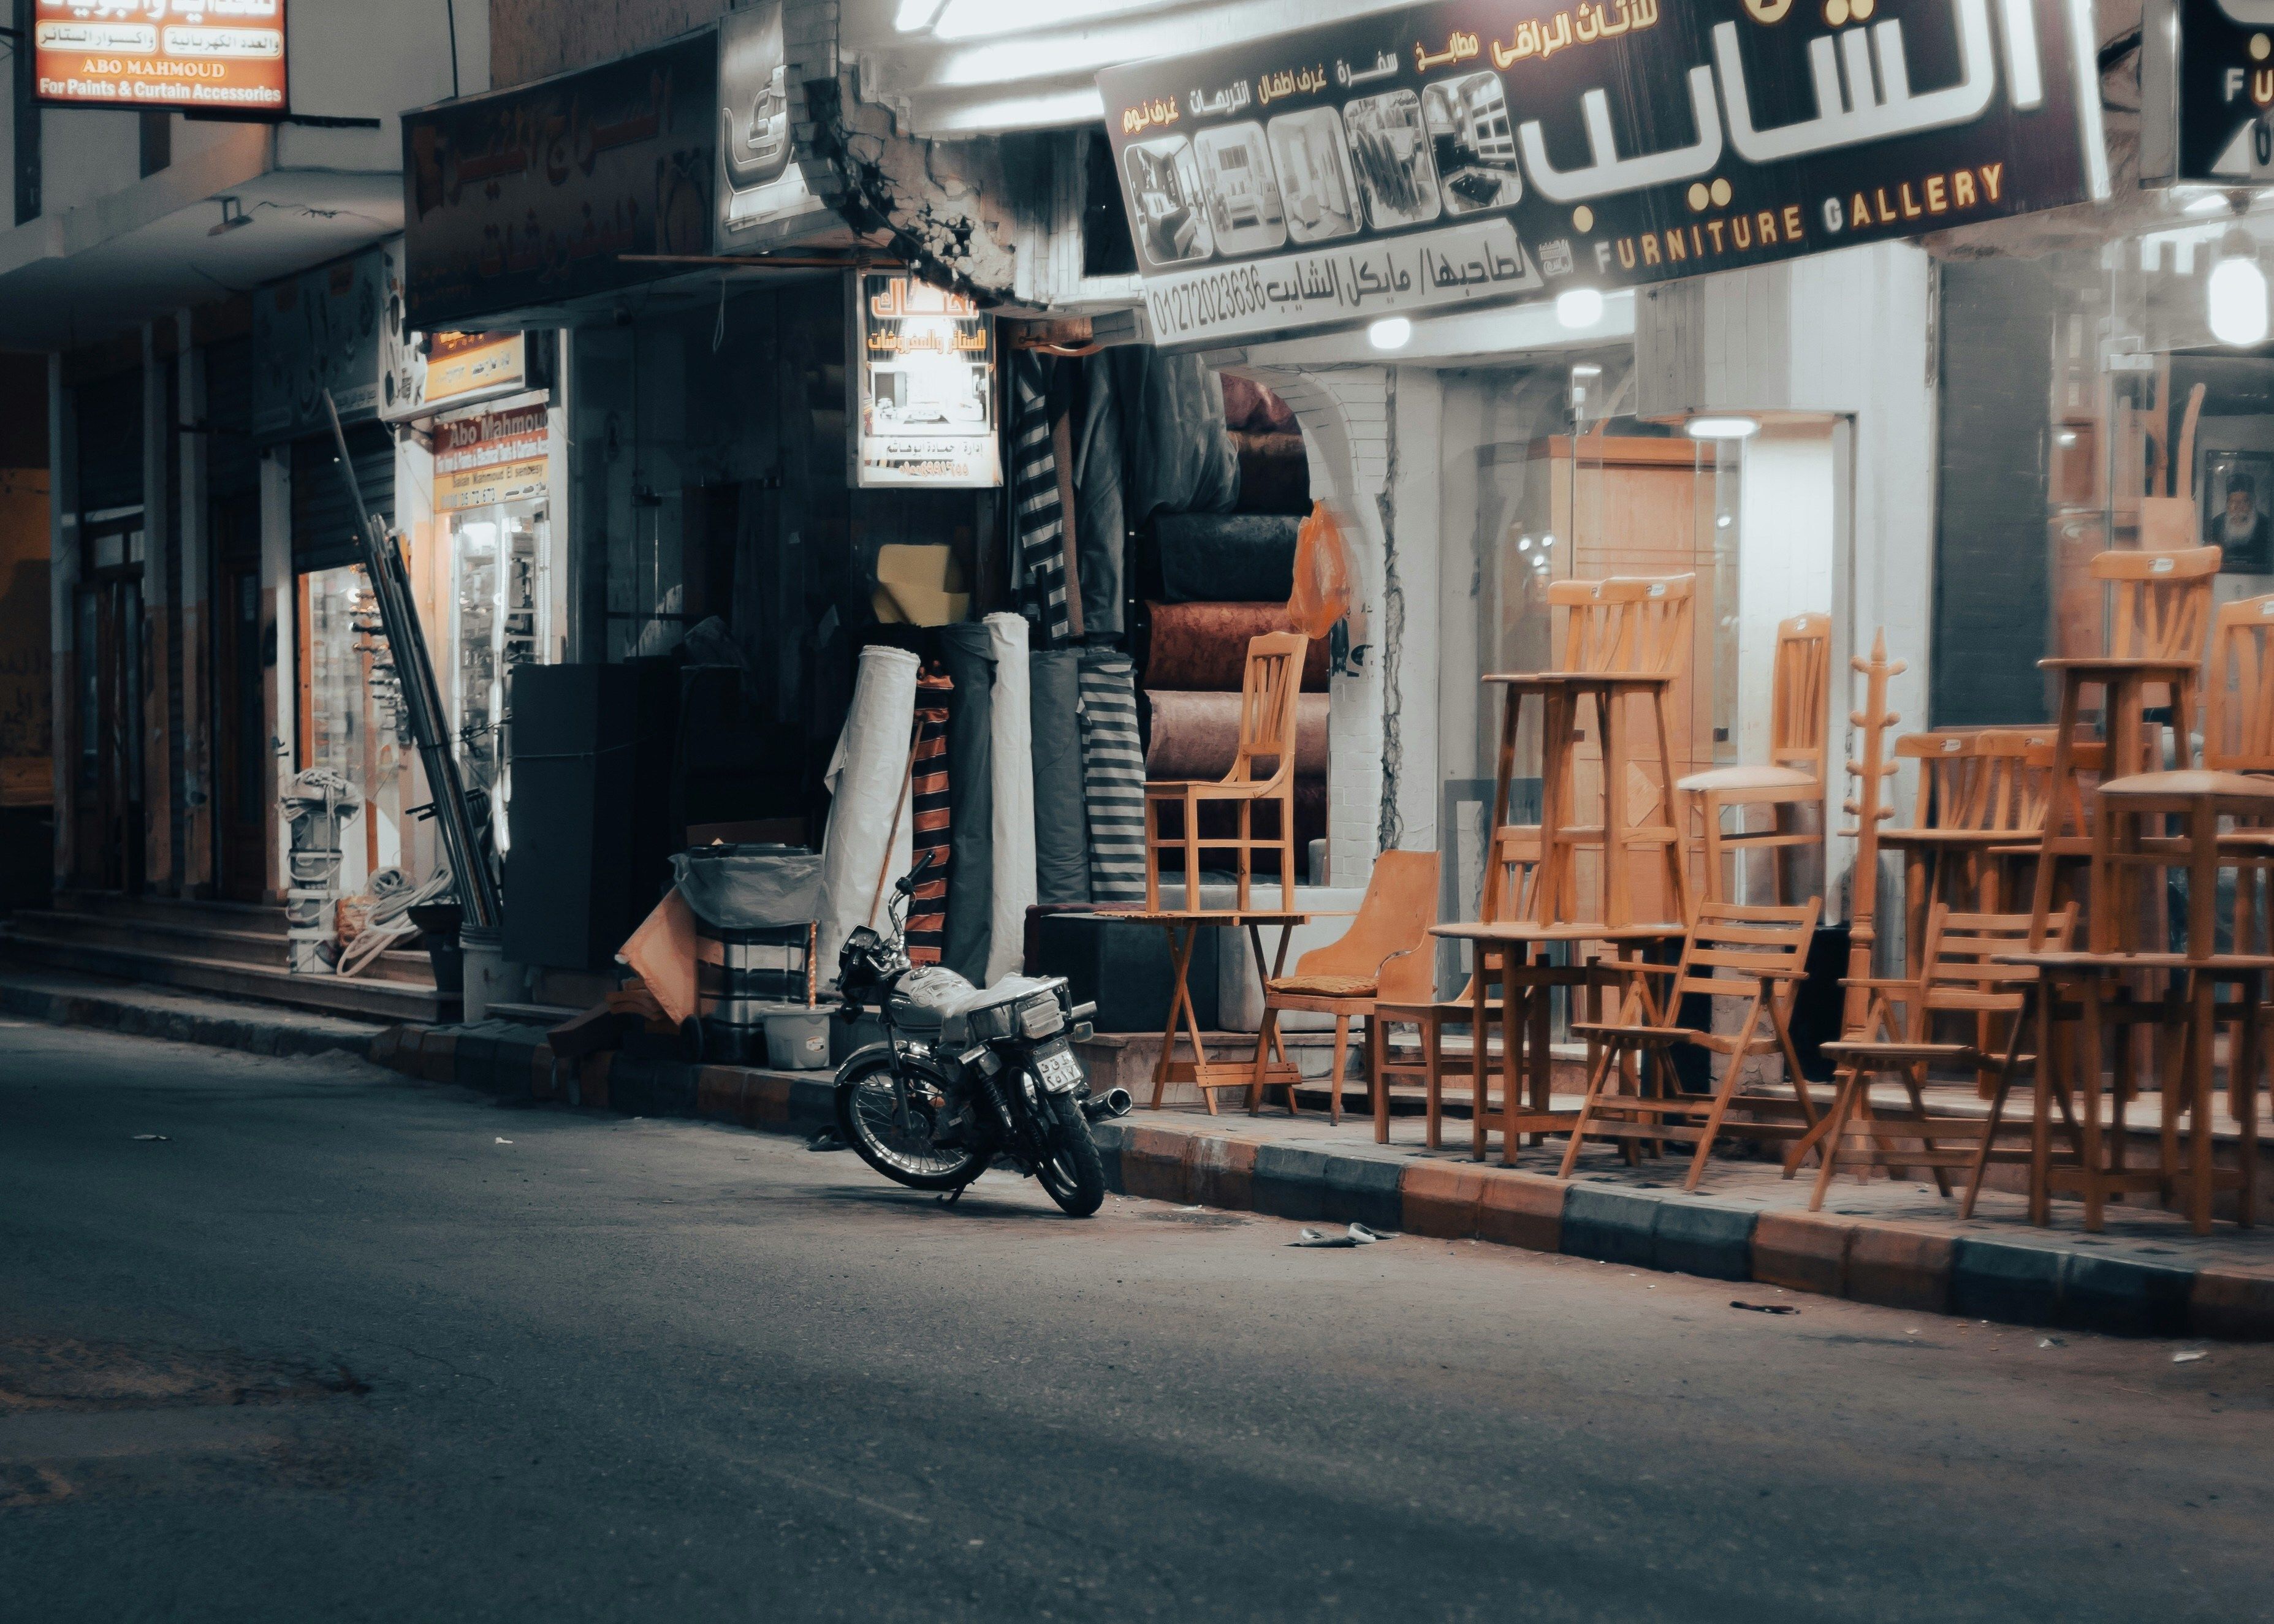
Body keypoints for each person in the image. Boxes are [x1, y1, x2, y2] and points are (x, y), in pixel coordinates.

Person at [2218, 479, 2274, 574]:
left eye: (2244, 501)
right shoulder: (2216, 524)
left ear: (2252, 503)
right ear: (2227, 504)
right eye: (2233, 501)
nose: (2238, 507)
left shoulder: (2266, 525)